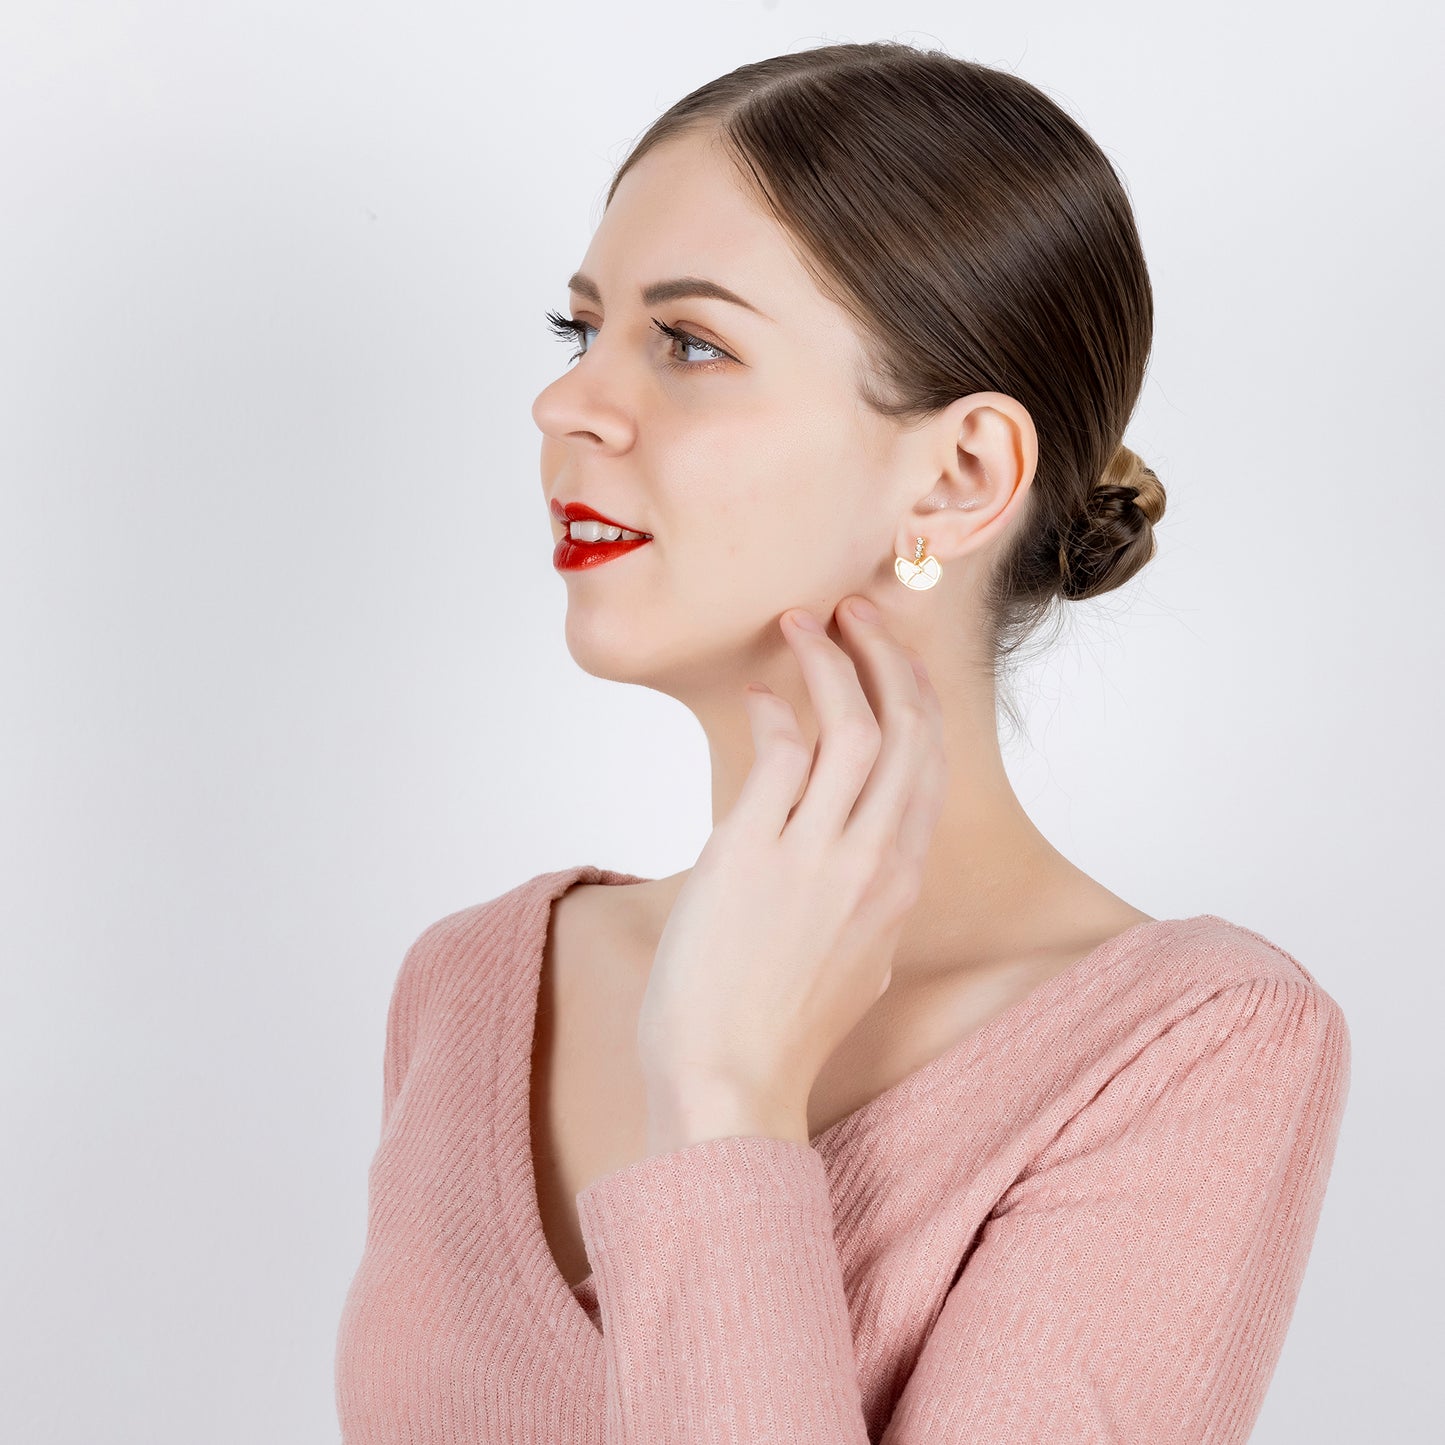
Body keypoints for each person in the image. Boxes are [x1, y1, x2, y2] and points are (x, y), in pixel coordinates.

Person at [335, 40, 1350, 1444]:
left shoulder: (1189, 1047)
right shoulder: (472, 987)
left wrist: (724, 1093)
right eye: (580, 331)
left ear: (957, 474)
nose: (566, 404)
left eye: (689, 343)